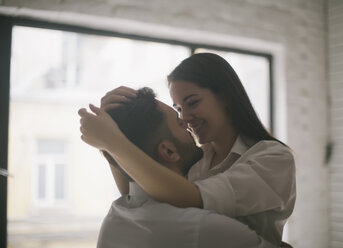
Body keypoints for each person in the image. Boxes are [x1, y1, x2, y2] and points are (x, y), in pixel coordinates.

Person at [79, 53, 296, 246]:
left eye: (192, 103)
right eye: (178, 109)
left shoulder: (271, 158)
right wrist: (116, 127)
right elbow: (135, 190)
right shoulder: (196, 158)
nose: (184, 118)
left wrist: (112, 140)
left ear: (226, 97)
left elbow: (193, 199)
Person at [92, 87, 274, 248]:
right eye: (179, 122)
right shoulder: (205, 227)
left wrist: (111, 138)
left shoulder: (114, 217)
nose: (187, 122)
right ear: (169, 152)